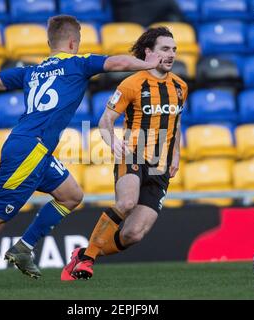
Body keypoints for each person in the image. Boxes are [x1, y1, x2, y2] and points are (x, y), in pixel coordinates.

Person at [0, 14, 161, 289]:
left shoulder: (32, 71)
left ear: (49, 42)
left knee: (71, 195)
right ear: (73, 41)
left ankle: (23, 247)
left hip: (33, 148)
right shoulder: (79, 64)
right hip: (29, 151)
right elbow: (118, 62)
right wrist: (147, 64)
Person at [61, 27, 188, 281]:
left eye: (174, 49)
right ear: (149, 52)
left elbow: (175, 123)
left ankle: (85, 254)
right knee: (127, 203)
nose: (171, 54)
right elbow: (105, 121)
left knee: (133, 234)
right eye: (165, 49)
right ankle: (86, 261)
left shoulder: (180, 87)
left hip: (160, 165)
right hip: (132, 154)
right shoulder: (132, 83)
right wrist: (112, 142)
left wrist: (176, 155)